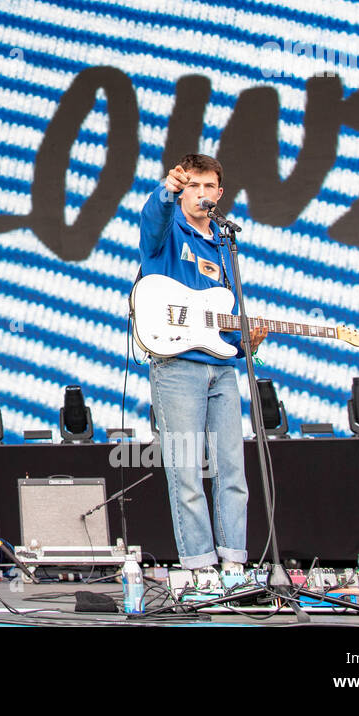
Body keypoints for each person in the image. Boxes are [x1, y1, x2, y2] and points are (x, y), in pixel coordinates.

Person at [138, 154, 267, 573]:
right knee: (186, 471)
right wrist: (165, 192)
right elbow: (152, 218)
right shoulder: (166, 230)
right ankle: (198, 566)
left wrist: (246, 343)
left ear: (220, 193)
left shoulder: (225, 243)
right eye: (192, 185)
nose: (201, 193)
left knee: (233, 469)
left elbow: (221, 318)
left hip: (222, 370)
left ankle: (233, 563)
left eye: (208, 186)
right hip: (177, 367)